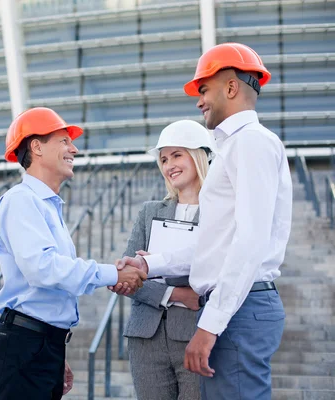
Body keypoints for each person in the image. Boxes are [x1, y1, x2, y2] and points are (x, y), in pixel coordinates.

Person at [113, 42, 293, 400]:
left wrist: (209, 327)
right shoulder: (237, 146)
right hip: (236, 307)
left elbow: (249, 241)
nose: (199, 101)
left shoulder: (250, 143)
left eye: (204, 89)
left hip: (241, 307)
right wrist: (150, 263)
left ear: (231, 87)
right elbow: (217, 242)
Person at [0, 107, 147, 400]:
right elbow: (43, 269)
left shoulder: (47, 205)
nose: (73, 148)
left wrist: (54, 348)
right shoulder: (22, 200)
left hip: (42, 345)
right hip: (25, 347)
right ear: (36, 147)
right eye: (63, 140)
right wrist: (114, 273)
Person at [120, 120, 215, 400]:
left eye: (176, 155)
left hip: (194, 335)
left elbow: (219, 272)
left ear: (199, 156)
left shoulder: (218, 214)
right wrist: (177, 293)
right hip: (145, 337)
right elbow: (129, 274)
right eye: (163, 159)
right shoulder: (148, 212)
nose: (168, 164)